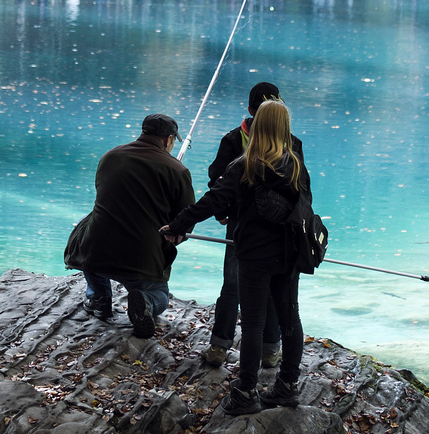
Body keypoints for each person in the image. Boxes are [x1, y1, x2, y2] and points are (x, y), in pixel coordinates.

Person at [163, 100, 310, 416]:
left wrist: (177, 224)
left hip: (255, 255)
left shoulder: (245, 165)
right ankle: (287, 387)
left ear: (256, 126)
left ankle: (246, 392)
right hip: (289, 254)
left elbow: (214, 201)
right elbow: (305, 210)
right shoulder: (296, 165)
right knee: (290, 319)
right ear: (285, 129)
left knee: (254, 324)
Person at [198, 83, 304, 370]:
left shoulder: (284, 144)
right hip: (259, 230)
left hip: (259, 231)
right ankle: (240, 348)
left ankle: (249, 349)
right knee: (248, 287)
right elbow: (217, 181)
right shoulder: (242, 141)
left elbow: (217, 181)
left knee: (248, 288)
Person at [64, 114, 195, 338]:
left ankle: (99, 298)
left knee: (90, 223)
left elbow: (103, 195)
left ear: (144, 132)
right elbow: (185, 220)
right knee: (160, 295)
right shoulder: (177, 171)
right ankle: (146, 301)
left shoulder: (110, 157)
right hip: (141, 257)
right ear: (168, 140)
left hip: (96, 250)